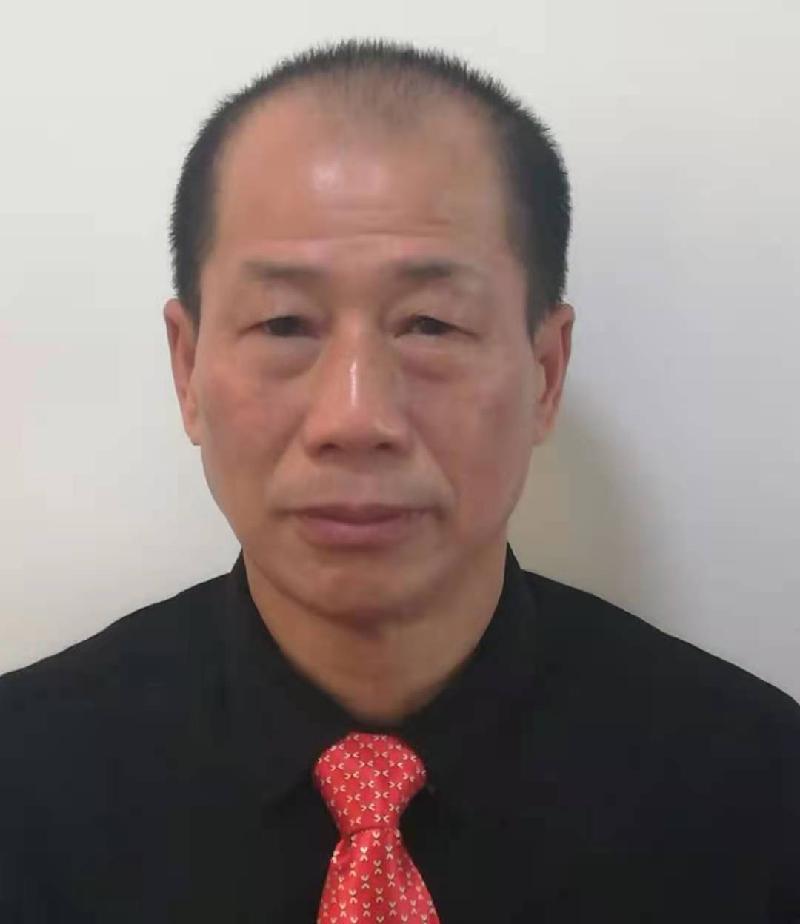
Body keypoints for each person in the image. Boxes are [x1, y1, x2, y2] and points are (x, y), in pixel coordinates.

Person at [1, 38, 798, 924]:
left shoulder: (758, 799)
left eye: (430, 325)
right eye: (284, 323)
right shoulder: (25, 789)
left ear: (545, 372)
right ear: (187, 369)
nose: (355, 418)